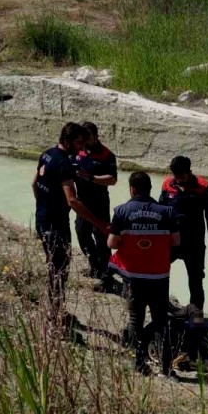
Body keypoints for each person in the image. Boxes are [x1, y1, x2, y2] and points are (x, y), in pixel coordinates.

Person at [33, 123, 111, 332]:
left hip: (42, 220)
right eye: (78, 142)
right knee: (60, 271)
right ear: (67, 141)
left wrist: (44, 206)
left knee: (54, 268)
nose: (81, 146)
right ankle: (54, 318)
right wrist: (100, 223)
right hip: (56, 225)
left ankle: (55, 310)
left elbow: (34, 184)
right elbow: (73, 201)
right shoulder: (64, 165)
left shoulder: (47, 154)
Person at [108, 171, 180, 376]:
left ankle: (139, 364)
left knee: (135, 320)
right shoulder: (167, 212)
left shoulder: (121, 211)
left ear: (132, 189)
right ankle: (166, 370)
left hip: (133, 277)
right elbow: (176, 242)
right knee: (160, 321)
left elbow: (112, 243)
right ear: (150, 188)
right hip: (159, 276)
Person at [159, 156, 208, 311]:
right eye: (176, 177)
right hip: (170, 241)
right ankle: (161, 307)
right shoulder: (167, 184)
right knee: (159, 273)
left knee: (196, 281)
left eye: (182, 177)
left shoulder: (204, 187)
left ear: (190, 172)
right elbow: (160, 212)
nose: (179, 181)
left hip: (194, 244)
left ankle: (196, 319)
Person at [72, 122, 119, 293]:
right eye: (83, 137)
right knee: (82, 234)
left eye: (88, 137)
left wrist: (91, 178)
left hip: (99, 201)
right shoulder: (78, 150)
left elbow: (112, 180)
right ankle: (95, 265)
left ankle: (106, 276)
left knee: (102, 238)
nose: (85, 140)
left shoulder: (107, 155)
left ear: (96, 136)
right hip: (81, 202)